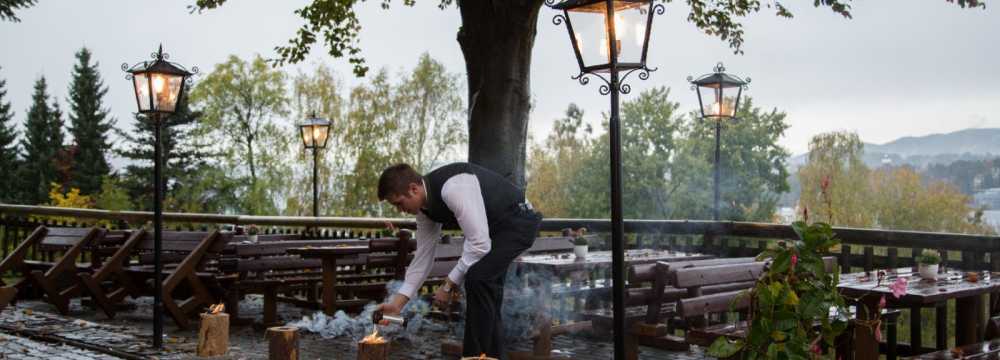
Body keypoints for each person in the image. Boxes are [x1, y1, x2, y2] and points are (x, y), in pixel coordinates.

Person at [375, 162, 542, 358]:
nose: (399, 210)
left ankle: (478, 355)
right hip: (494, 231)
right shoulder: (425, 211)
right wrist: (397, 304)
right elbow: (422, 259)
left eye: (399, 203)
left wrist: (448, 285)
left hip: (518, 221)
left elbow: (479, 244)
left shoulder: (453, 188)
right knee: (485, 288)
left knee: (478, 278)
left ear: (413, 189)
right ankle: (490, 355)